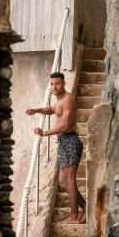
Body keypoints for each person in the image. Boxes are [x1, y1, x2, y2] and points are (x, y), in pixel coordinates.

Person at [26, 72, 86, 224]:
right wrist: (36, 110)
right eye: (52, 84)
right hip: (63, 142)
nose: (54, 87)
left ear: (64, 84)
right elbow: (51, 110)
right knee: (63, 183)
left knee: (70, 180)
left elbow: (65, 125)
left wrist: (44, 132)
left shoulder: (68, 100)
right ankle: (86, 207)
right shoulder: (59, 101)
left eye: (57, 84)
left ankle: (74, 216)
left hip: (70, 141)